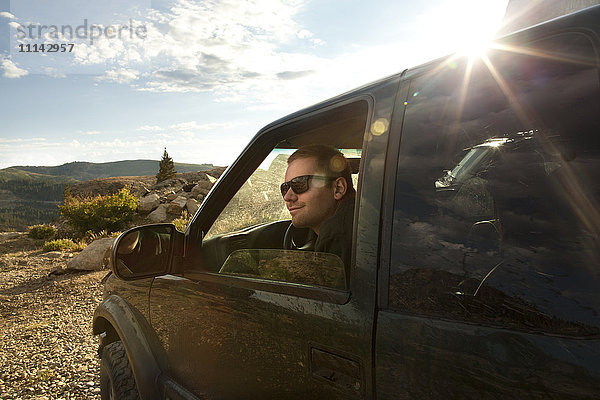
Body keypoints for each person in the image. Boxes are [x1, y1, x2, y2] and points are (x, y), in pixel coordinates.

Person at [281, 145, 355, 266]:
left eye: (299, 184)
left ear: (338, 189)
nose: (287, 197)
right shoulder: (357, 220)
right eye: (285, 188)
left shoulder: (340, 235)